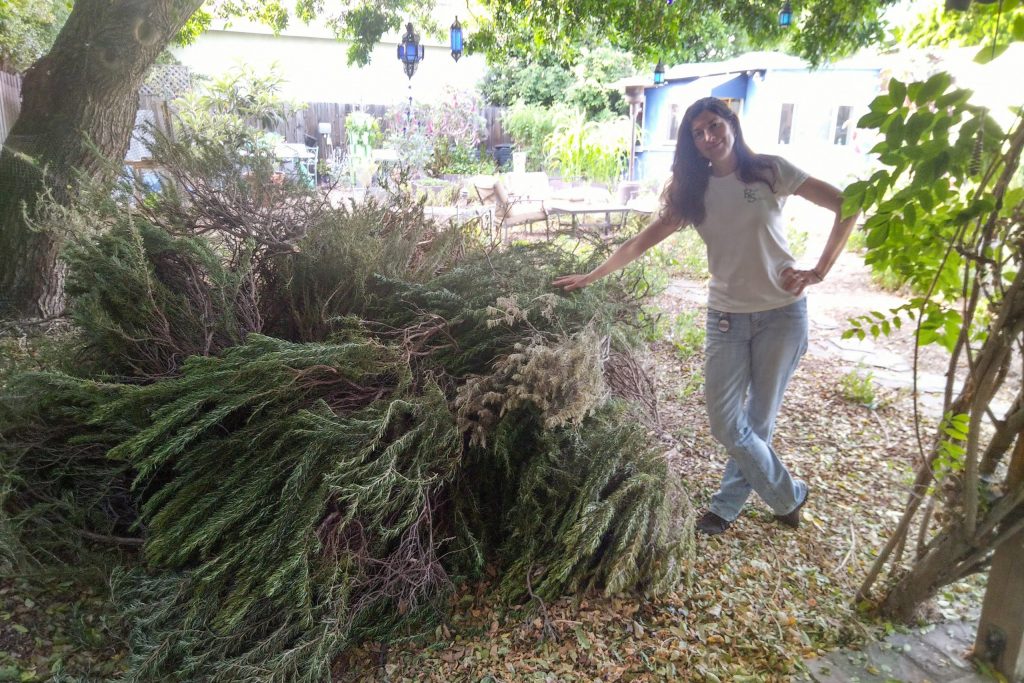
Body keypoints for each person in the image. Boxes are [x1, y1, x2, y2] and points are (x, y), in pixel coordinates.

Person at [553, 97, 859, 536]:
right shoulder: (692, 191)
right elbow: (641, 242)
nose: (708, 137)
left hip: (782, 315)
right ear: (692, 143)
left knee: (758, 422)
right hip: (726, 319)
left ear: (732, 124)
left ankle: (726, 507)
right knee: (724, 422)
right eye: (698, 133)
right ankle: (789, 494)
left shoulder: (771, 171)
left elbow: (846, 204)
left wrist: (819, 270)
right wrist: (593, 274)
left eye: (714, 126)